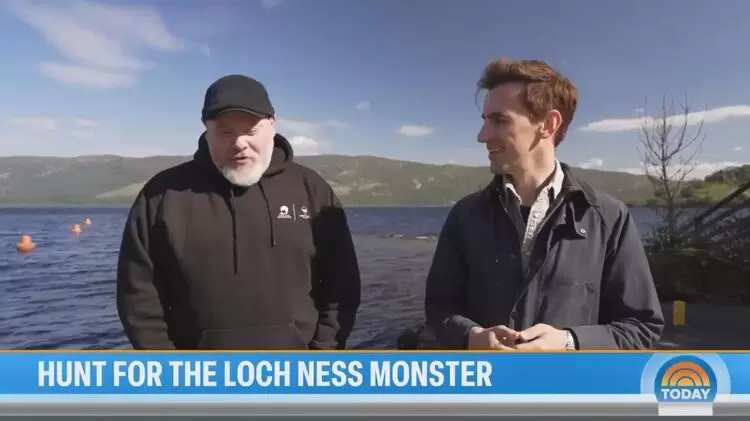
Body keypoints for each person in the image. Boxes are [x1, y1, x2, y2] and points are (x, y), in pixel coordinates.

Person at [424, 59, 664, 351]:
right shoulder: (465, 216)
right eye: (484, 120)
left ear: (548, 125)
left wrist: (568, 342)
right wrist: (470, 336)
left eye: (499, 120)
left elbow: (642, 326)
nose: (482, 135)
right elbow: (440, 307)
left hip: (568, 382)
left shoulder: (608, 217)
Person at [116, 74, 362, 350]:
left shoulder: (312, 190)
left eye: (251, 130)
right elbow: (138, 294)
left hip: (296, 371)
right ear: (206, 129)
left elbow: (342, 283)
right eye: (225, 132)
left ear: (272, 125)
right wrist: (170, 369)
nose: (239, 143)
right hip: (198, 373)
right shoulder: (162, 195)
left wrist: (321, 359)